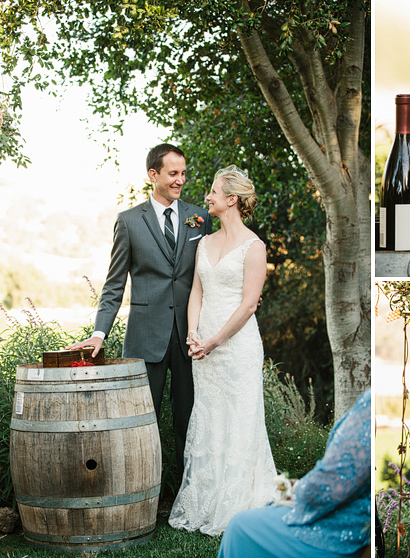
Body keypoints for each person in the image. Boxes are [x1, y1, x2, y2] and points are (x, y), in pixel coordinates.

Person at [69, 143, 211, 483]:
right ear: (154, 174)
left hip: (191, 336)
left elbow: (211, 273)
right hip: (145, 336)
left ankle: (185, 495)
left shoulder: (200, 218)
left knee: (188, 418)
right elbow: (114, 285)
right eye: (173, 173)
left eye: (183, 173)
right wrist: (99, 333)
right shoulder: (129, 222)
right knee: (140, 420)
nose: (181, 180)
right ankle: (143, 491)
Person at [168, 165, 277, 535]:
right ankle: (205, 500)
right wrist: (194, 334)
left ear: (232, 199)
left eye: (214, 192)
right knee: (210, 416)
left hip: (238, 346)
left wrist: (215, 341)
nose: (208, 197)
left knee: (241, 418)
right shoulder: (204, 242)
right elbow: (197, 292)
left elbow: (248, 305)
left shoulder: (254, 247)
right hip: (204, 347)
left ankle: (241, 503)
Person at [217, 389, 371, 558]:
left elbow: (333, 481)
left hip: (340, 530)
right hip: (357, 523)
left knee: (240, 527)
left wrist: (295, 492)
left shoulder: (370, 405)